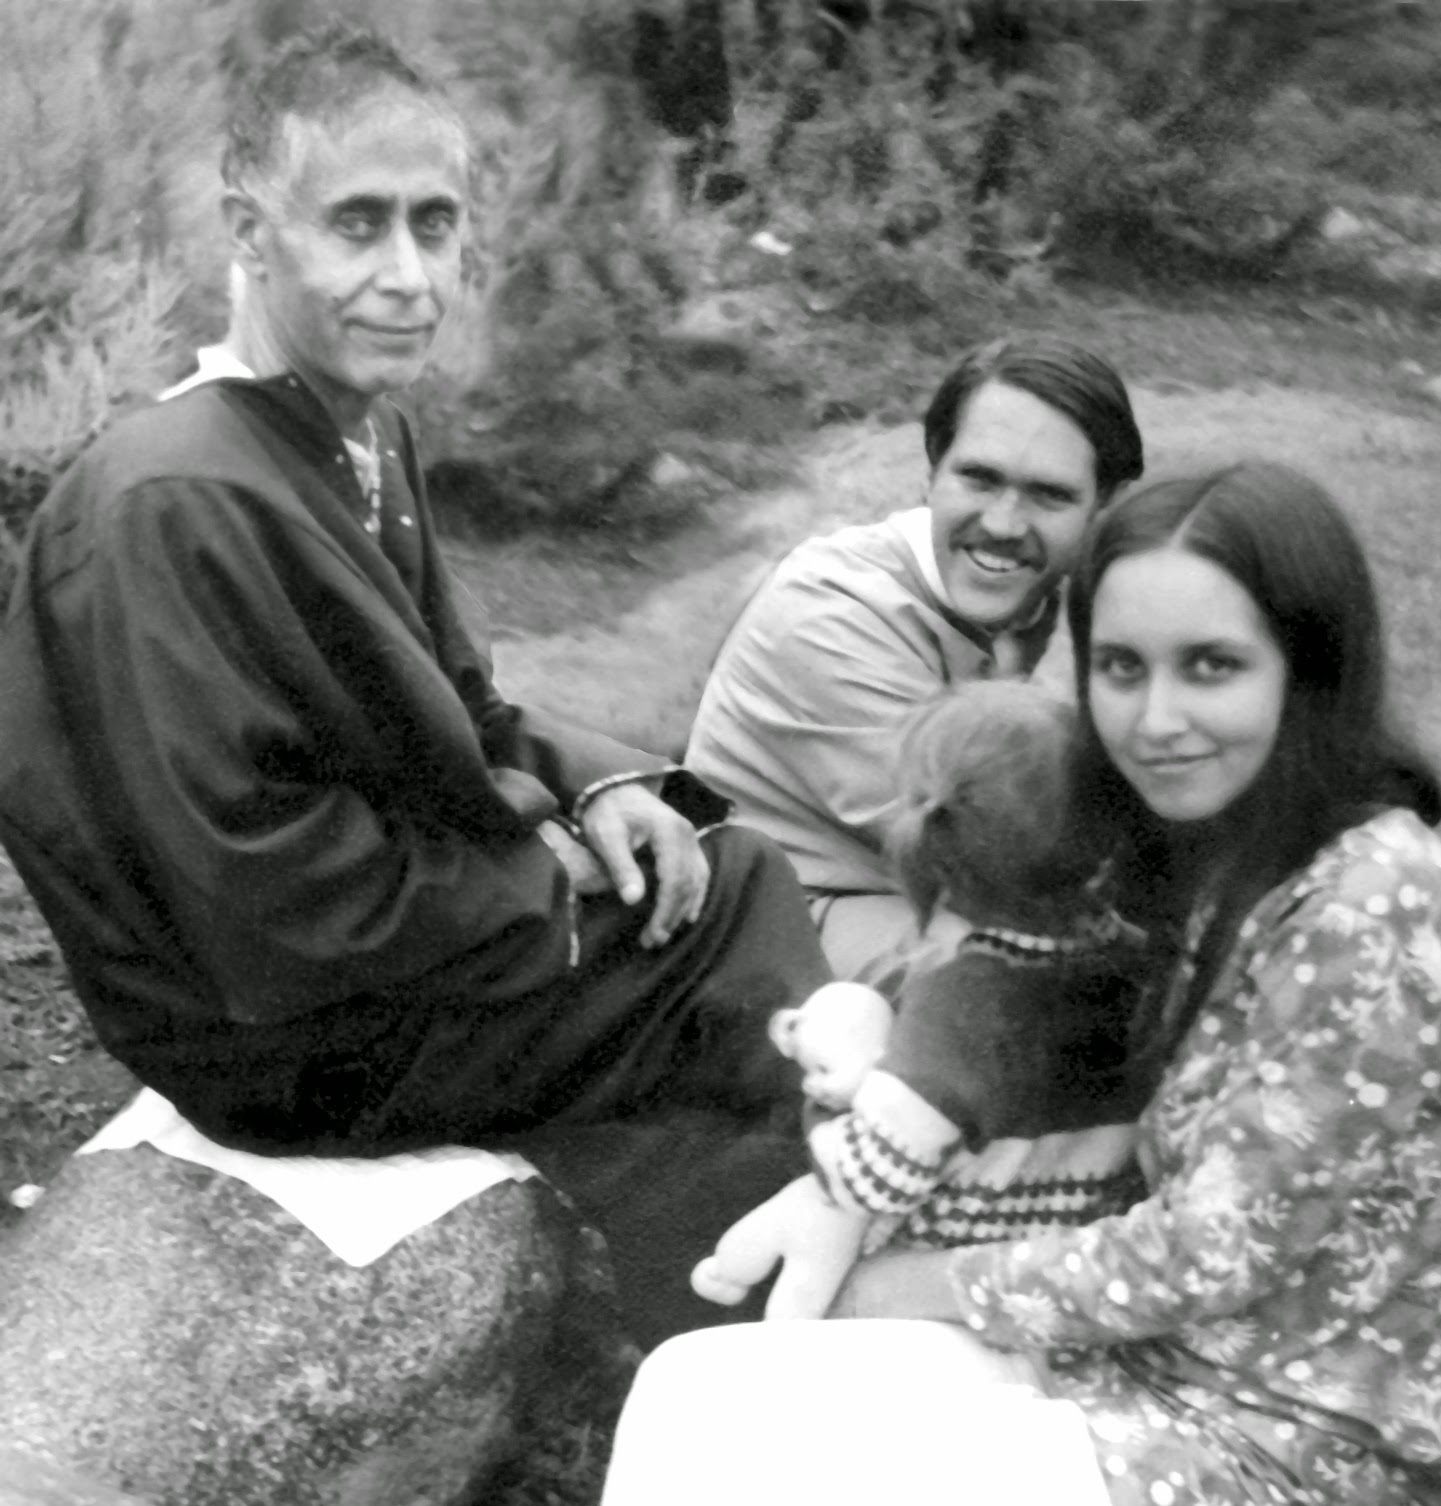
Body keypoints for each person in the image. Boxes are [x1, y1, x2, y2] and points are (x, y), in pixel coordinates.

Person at [0, 24, 828, 1343]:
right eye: (358, 224)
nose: (408, 276)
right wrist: (537, 874)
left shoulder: (352, 429)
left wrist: (595, 783)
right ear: (251, 229)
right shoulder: (174, 498)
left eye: (434, 226)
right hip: (271, 1035)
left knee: (693, 872)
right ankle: (771, 1316)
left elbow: (455, 701)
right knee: (725, 922)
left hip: (364, 959)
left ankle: (720, 1302)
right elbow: (255, 898)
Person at [601, 461, 1441, 1506]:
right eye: (1121, 668)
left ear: (1310, 670)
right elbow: (1012, 1009)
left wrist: (913, 1286)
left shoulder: (1371, 900)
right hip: (1145, 1366)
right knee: (696, 1396)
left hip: (1304, 1443)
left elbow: (1216, 1250)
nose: (1155, 718)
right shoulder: (1208, 843)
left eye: (1211, 666)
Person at [689, 681, 1152, 1321]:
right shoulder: (1136, 957)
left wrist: (833, 1098)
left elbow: (875, 1177)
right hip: (1078, 1258)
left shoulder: (963, 1000)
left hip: (945, 1279)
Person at [685, 334, 1145, 977]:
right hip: (779, 925)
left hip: (930, 903)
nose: (1005, 524)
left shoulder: (1054, 598)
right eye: (979, 479)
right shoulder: (829, 613)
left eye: (1049, 495)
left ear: (1106, 507)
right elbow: (1009, 849)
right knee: (1044, 973)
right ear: (932, 470)